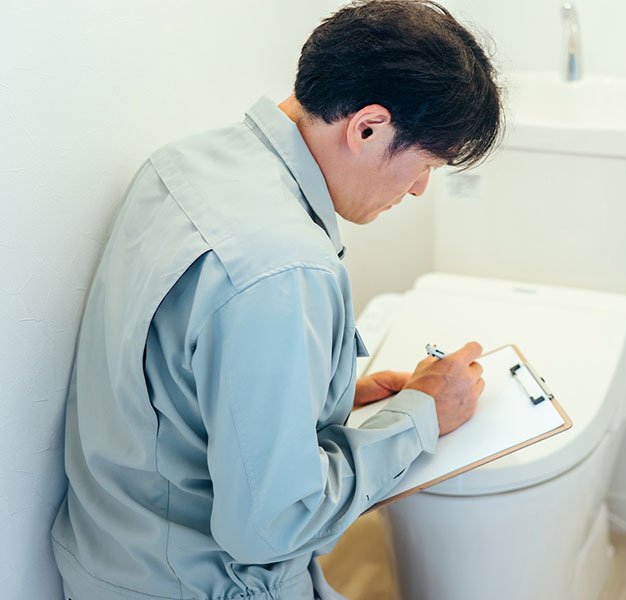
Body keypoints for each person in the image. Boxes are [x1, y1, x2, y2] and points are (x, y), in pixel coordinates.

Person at [49, 1, 503, 598]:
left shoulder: (184, 164)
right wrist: (421, 418)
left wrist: (324, 398)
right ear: (367, 127)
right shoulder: (284, 269)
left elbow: (181, 381)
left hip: (113, 555)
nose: (419, 188)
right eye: (426, 164)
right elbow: (272, 527)